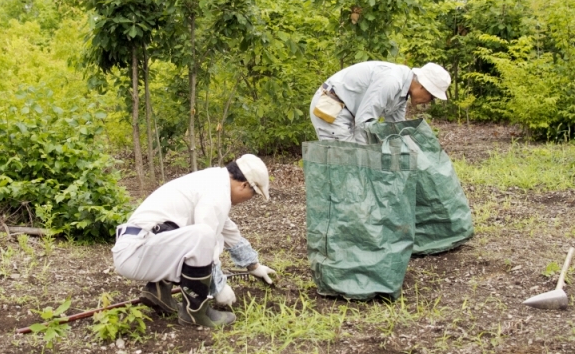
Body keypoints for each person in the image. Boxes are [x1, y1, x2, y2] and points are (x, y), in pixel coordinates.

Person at [111, 154, 276, 328]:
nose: (246, 201)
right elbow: (205, 239)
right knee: (203, 235)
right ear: (244, 185)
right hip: (137, 252)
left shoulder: (213, 182)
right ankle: (195, 313)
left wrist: (254, 265)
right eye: (252, 195)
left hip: (142, 247)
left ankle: (159, 293)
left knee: (195, 235)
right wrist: (218, 286)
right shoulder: (216, 193)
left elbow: (228, 231)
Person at [309, 61, 451, 144]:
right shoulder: (392, 82)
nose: (429, 101)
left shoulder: (403, 93)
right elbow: (364, 121)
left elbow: (395, 128)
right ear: (422, 86)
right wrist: (365, 154)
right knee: (347, 158)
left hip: (347, 110)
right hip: (331, 103)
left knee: (351, 160)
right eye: (431, 96)